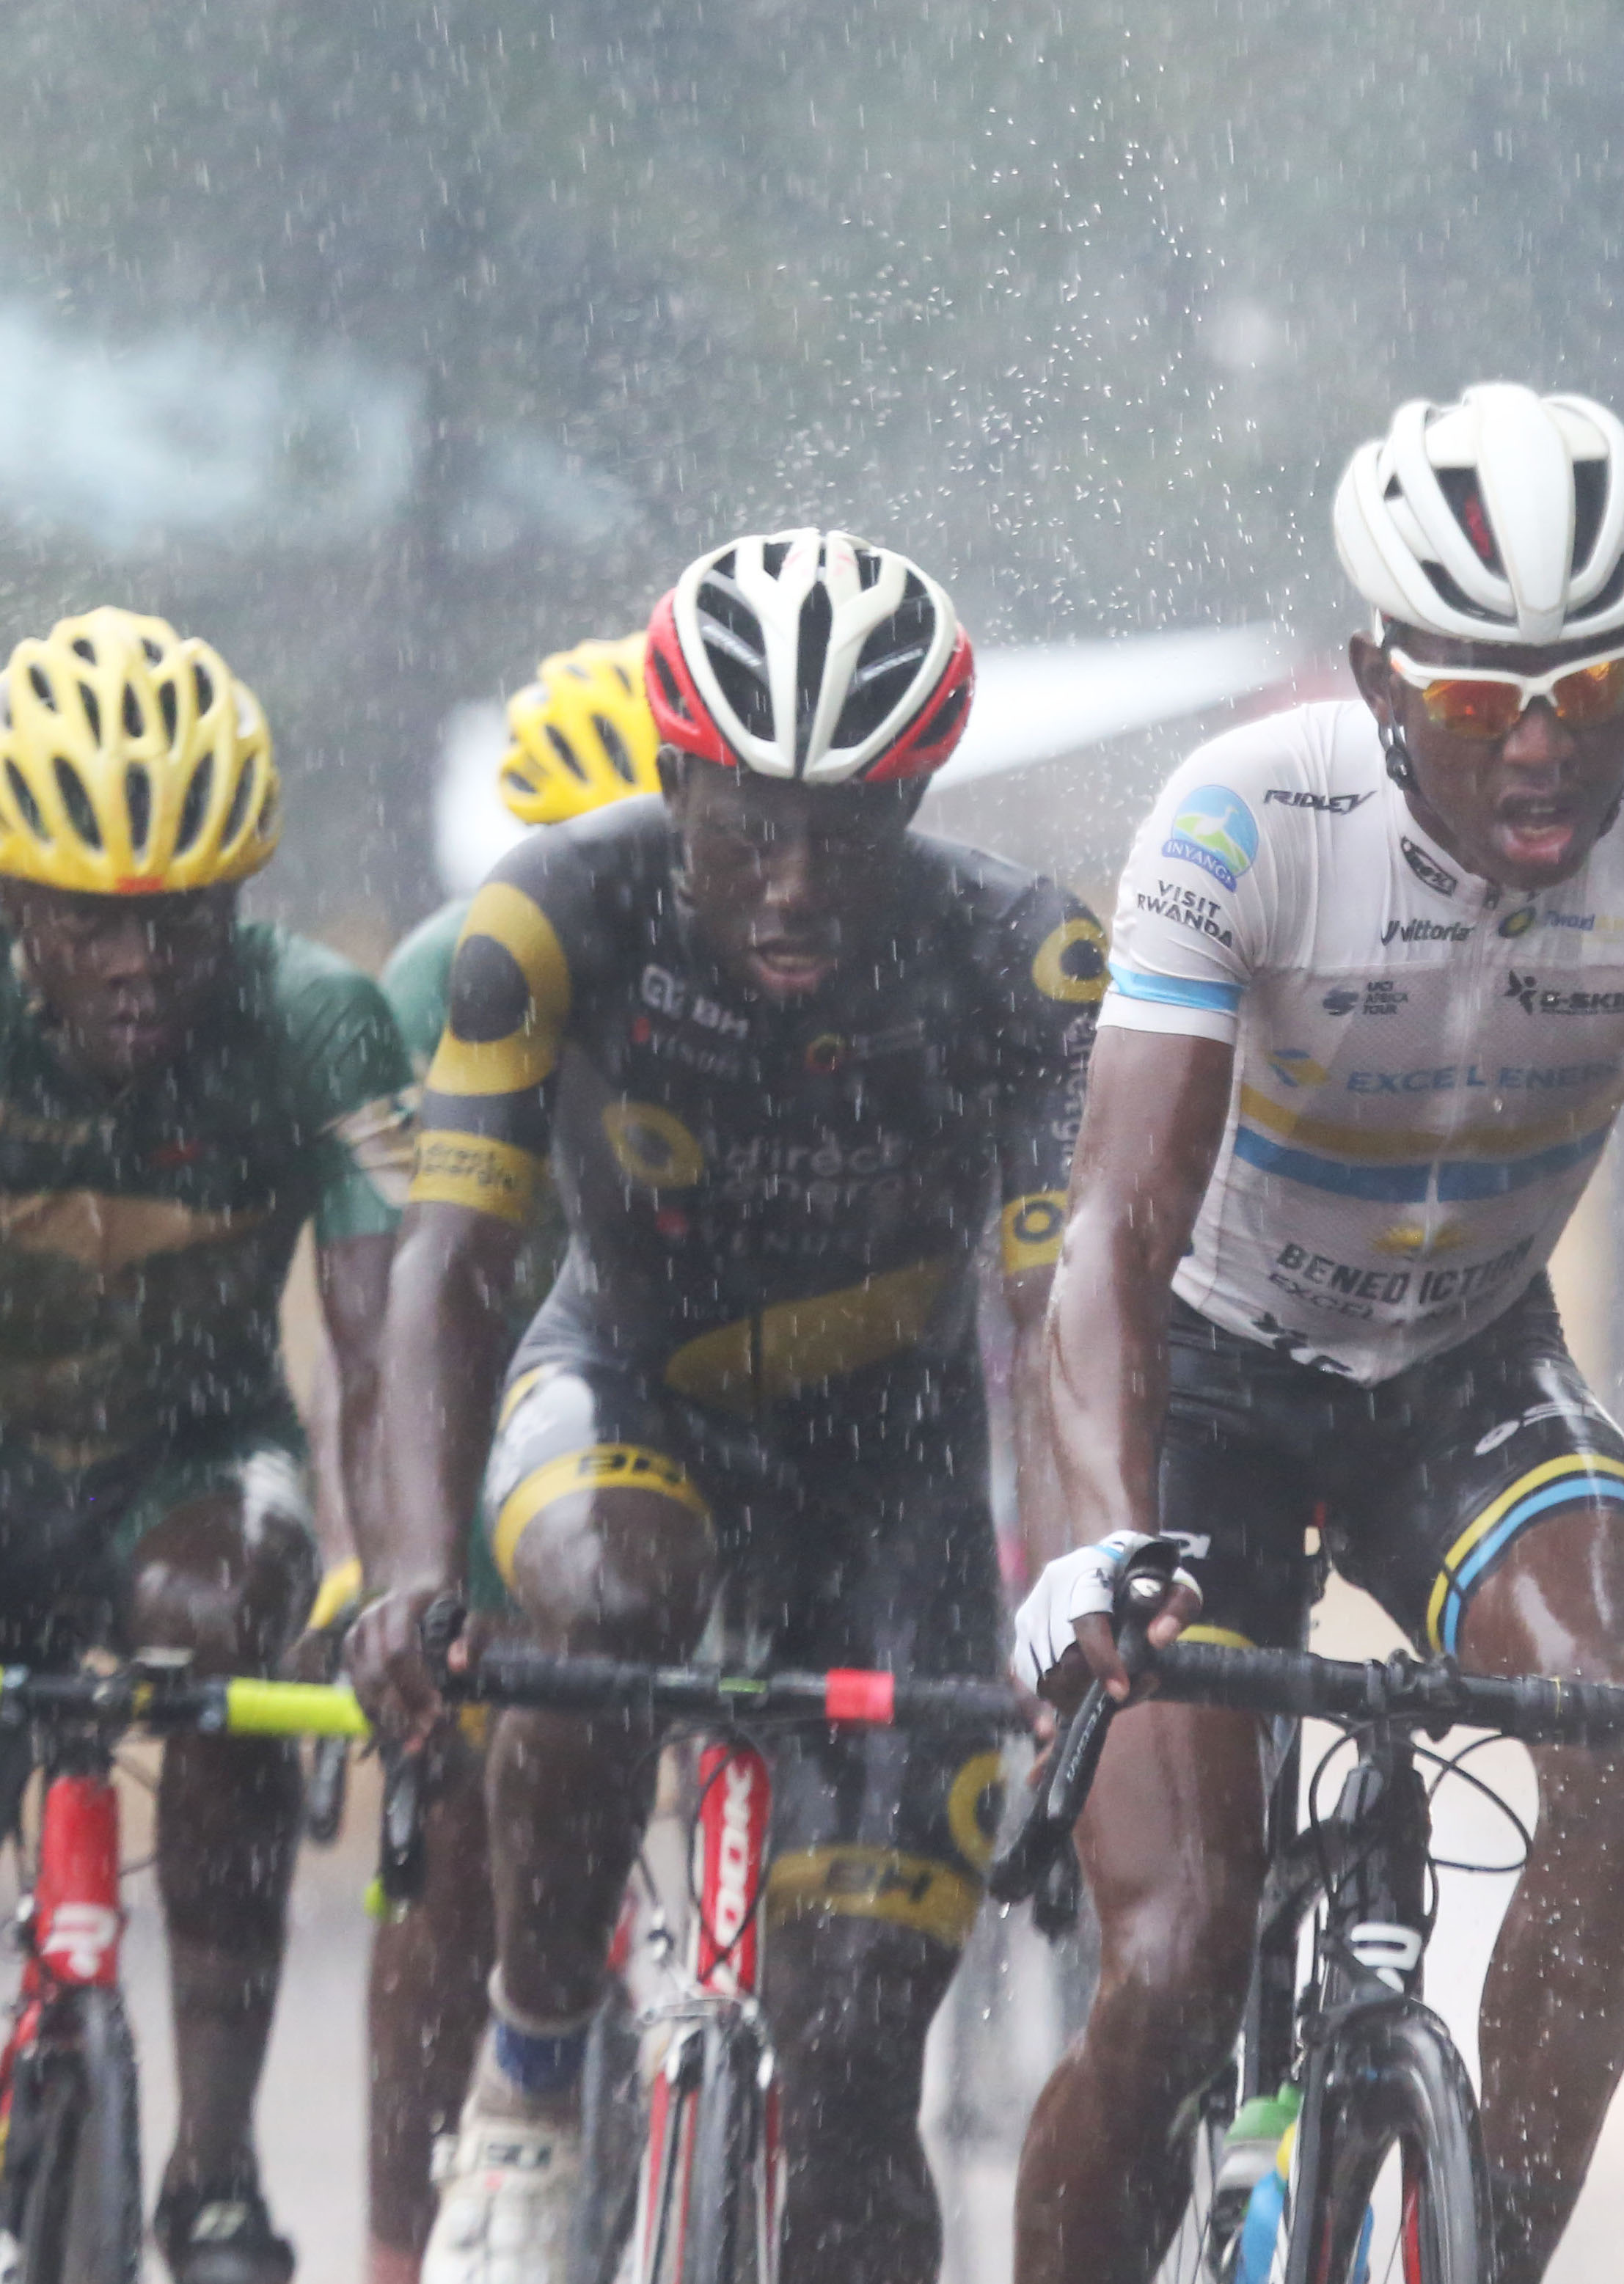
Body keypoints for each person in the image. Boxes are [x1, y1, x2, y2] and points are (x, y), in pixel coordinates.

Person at [1006, 385, 1624, 2284]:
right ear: (1376, 679)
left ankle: (1478, 2259)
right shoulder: (1244, 815)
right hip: (1210, 1386)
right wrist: (1083, 1534)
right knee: (1169, 1956)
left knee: (1622, 1709)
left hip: (1468, 1366)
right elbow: (1115, 1230)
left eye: (1594, 686)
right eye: (1484, 704)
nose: (1546, 752)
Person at [347, 527, 1104, 2284]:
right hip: (627, 1393)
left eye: (845, 831)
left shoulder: (1021, 960)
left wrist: (1074, 1588)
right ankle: (533, 2078)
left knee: (852, 2079)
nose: (790, 882)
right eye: (745, 822)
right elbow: (450, 1269)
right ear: (672, 772)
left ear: (915, 800)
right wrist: (406, 1571)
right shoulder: (551, 914)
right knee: (606, 1594)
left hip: (890, 1480)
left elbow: (1061, 1320)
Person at [0, 608, 414, 2284]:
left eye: (184, 921)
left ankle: (217, 2170)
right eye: (87, 923)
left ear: (238, 900)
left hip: (190, 1478)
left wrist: (377, 1575)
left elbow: (382, 1343)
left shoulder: (320, 1023)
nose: (140, 963)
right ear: (5, 898)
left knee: (230, 1617)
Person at [358, 633, 656, 2284]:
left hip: (687, 1405)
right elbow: (409, 1312)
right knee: (458, 1812)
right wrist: (401, 1572)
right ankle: (403, 2241)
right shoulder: (441, 985)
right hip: (504, 1414)